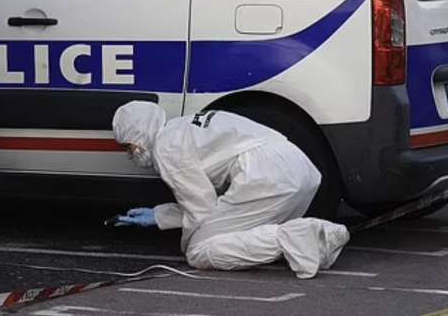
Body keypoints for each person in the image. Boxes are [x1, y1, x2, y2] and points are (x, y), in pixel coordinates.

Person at [112, 101, 349, 278]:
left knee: (200, 250)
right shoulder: (182, 127)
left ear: (138, 138)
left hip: (265, 177)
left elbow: (202, 209)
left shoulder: (166, 148)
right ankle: (307, 237)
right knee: (239, 233)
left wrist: (186, 244)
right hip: (298, 170)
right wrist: (160, 216)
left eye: (128, 147)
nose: (130, 154)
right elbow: (210, 207)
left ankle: (302, 238)